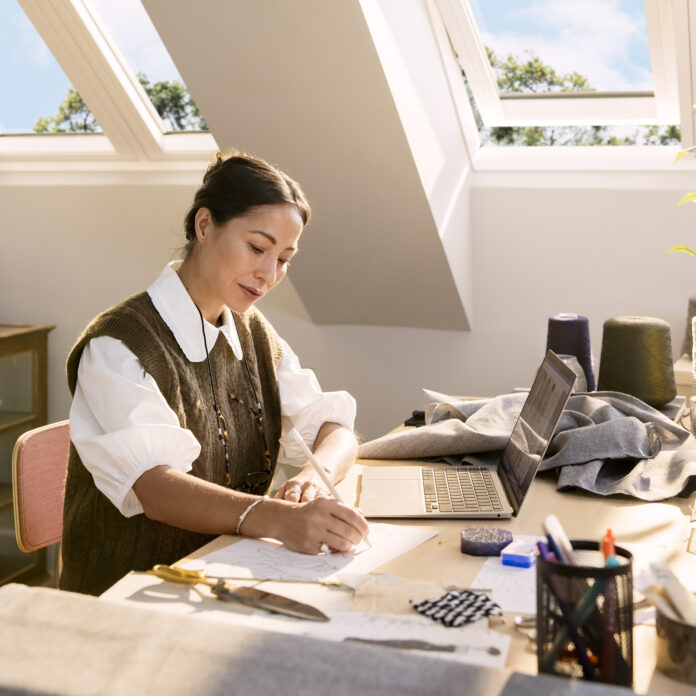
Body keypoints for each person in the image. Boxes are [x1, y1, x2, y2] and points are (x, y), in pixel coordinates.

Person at [60, 150, 369, 596]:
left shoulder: (251, 332)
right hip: (132, 594)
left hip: (223, 576)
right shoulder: (117, 344)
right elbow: (154, 486)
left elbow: (335, 427)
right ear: (205, 226)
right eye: (257, 248)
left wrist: (311, 478)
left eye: (284, 259)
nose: (268, 274)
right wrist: (278, 518)